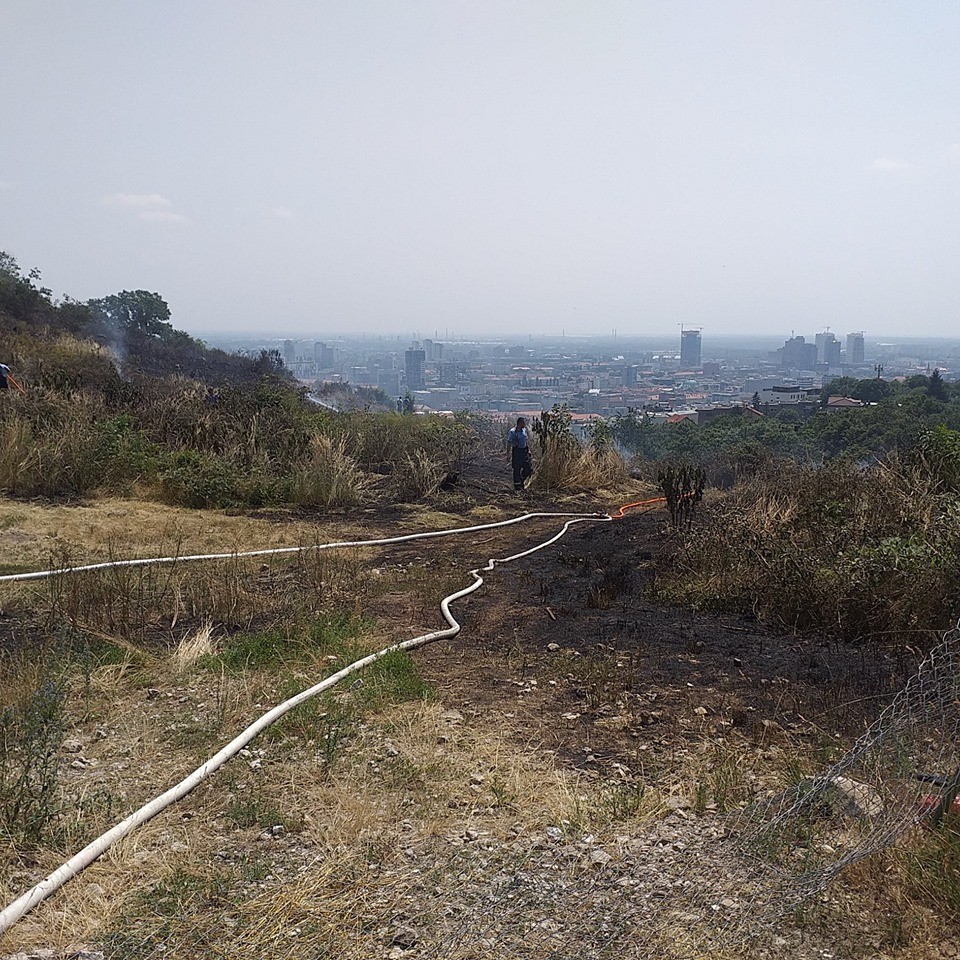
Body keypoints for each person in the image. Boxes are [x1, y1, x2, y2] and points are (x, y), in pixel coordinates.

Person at [507, 416, 532, 492]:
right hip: (517, 451)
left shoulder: (524, 430)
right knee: (517, 468)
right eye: (523, 422)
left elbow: (526, 441)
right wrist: (508, 454)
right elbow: (509, 442)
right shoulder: (512, 432)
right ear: (520, 423)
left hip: (524, 451)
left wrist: (528, 450)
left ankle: (522, 479)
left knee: (528, 468)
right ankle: (517, 486)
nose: (524, 424)